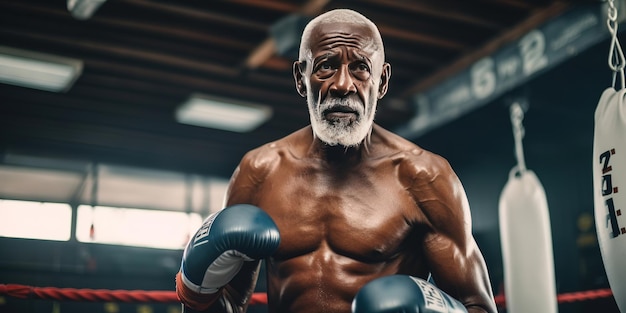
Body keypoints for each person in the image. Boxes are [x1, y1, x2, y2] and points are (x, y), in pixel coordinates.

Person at [175, 8, 497, 313]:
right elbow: (229, 306)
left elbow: (478, 305)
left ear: (382, 82)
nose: (343, 85)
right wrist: (195, 288)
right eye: (326, 65)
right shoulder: (259, 173)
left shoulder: (423, 178)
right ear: (301, 78)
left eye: (360, 68)